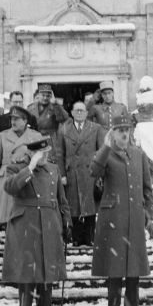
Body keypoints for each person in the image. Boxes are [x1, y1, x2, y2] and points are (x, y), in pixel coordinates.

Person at [2, 136, 72, 306]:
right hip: (26, 222)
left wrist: (67, 221)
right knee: (28, 269)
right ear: (31, 153)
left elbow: (61, 199)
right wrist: (30, 168)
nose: (44, 157)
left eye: (46, 153)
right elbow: (10, 187)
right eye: (40, 153)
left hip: (49, 220)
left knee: (47, 265)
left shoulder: (53, 170)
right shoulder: (16, 168)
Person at [89, 114, 153, 306]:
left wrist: (147, 212)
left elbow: (147, 188)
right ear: (112, 133)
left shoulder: (138, 154)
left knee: (133, 263)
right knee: (115, 264)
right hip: (114, 216)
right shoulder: (106, 154)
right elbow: (93, 171)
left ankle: (132, 305)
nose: (125, 133)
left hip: (134, 215)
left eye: (127, 130)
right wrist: (105, 147)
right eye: (120, 130)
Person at [56, 101, 106, 246]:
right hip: (72, 173)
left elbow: (102, 151)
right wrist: (63, 174)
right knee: (74, 206)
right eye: (76, 110)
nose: (79, 113)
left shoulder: (95, 128)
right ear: (71, 113)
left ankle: (90, 237)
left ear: (86, 113)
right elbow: (60, 154)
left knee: (90, 205)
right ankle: (77, 237)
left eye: (82, 111)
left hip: (90, 173)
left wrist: (100, 173)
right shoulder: (64, 129)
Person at [0, 106, 42, 231]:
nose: (13, 122)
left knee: (25, 218)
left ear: (25, 121)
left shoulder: (36, 136)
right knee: (8, 219)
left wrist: (27, 158)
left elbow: (41, 160)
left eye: (17, 119)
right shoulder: (3, 136)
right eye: (12, 119)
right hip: (7, 180)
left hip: (27, 180)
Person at [0, 91, 38, 161]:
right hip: (6, 158)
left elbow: (36, 140)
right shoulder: (1, 119)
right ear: (10, 102)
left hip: (25, 160)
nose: (18, 104)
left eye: (20, 102)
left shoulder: (31, 118)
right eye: (15, 102)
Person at [26, 84, 69, 162]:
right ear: (38, 95)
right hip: (34, 140)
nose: (45, 98)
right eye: (43, 95)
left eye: (48, 96)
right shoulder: (31, 108)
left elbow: (64, 118)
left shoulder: (54, 107)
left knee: (49, 164)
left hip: (49, 141)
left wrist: (55, 104)